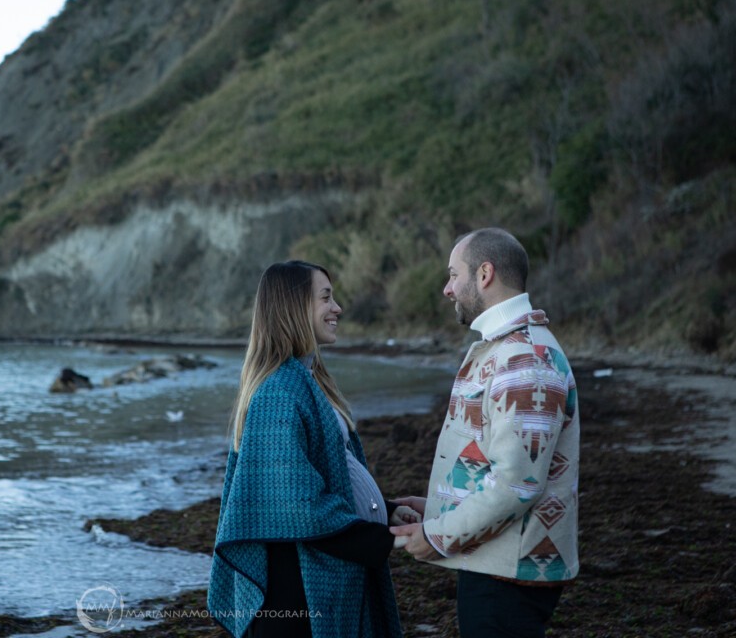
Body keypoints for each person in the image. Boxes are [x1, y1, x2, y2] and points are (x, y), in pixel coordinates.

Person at [389, 228, 579, 638]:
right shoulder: (507, 348)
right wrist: (439, 506)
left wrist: (438, 536)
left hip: (509, 572)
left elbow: (517, 483)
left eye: (454, 274)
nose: (447, 288)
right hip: (498, 562)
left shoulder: (523, 358)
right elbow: (499, 464)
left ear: (485, 274)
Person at [208, 260, 412, 638]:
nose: (337, 308)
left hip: (310, 576)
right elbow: (296, 503)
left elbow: (332, 471)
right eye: (326, 298)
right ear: (294, 307)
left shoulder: (305, 378)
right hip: (293, 594)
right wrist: (384, 539)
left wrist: (387, 511)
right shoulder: (279, 391)